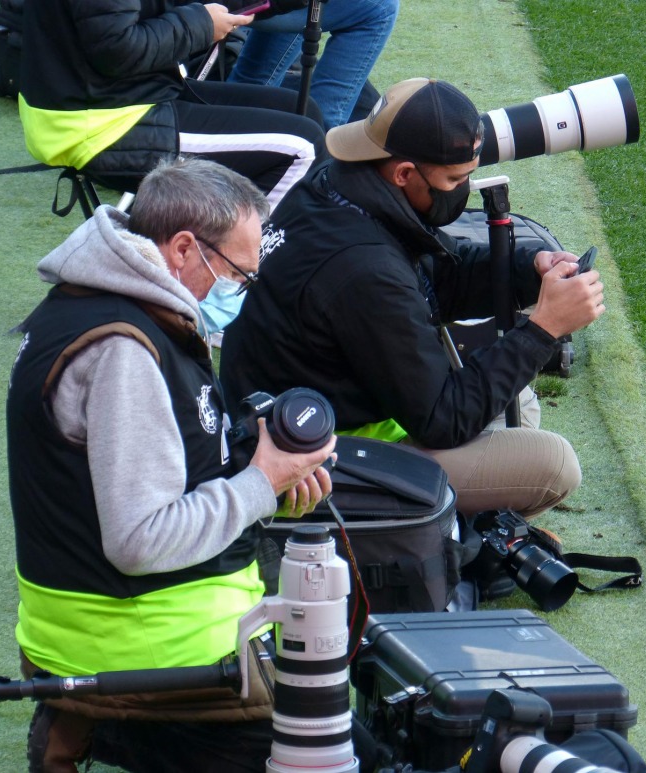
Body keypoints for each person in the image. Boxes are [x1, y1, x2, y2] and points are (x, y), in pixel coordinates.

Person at [6, 157, 335, 771]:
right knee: (339, 751)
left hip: (97, 628)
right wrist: (261, 483)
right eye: (237, 273)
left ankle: (86, 723)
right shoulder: (124, 351)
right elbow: (140, 539)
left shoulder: (94, 304)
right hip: (150, 650)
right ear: (183, 248)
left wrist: (255, 465)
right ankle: (111, 724)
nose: (240, 292)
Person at [219, 78, 605, 520]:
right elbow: (443, 420)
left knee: (519, 404)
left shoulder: (338, 187)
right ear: (403, 173)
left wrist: (528, 269)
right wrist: (544, 329)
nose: (464, 188)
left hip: (297, 414)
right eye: (455, 179)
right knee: (552, 464)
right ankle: (425, 539)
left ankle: (446, 527)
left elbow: (440, 275)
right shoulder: (363, 268)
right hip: (309, 461)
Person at [18, 0, 327, 208]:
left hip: (124, 95)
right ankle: (230, 278)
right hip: (94, 123)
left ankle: (205, 245)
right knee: (303, 146)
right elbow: (117, 48)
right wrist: (202, 23)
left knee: (302, 112)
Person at [229, 0, 399, 129]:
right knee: (381, 7)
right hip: (227, 5)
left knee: (300, 5)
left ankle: (237, 111)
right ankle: (316, 137)